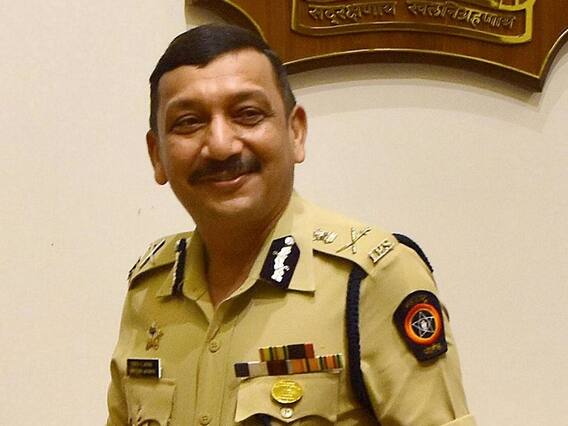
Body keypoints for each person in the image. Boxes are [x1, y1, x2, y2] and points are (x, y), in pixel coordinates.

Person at [106, 24, 476, 426]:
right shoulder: (150, 291)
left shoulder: (370, 279)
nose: (221, 145)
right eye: (189, 122)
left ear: (295, 132)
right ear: (157, 155)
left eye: (248, 114)